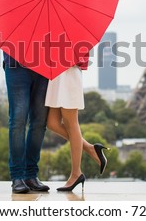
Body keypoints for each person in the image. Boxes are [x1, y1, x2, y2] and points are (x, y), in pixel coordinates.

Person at [45, 56, 109, 192]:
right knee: (52, 122)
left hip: (69, 71)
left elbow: (84, 49)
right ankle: (91, 149)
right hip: (55, 73)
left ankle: (76, 173)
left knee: (71, 123)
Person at [4, 52, 50, 194]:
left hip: (44, 65)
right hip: (16, 64)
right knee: (18, 120)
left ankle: (31, 175)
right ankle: (17, 176)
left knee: (40, 122)